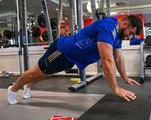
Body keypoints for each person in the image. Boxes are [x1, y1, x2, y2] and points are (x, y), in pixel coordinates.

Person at [7, 15, 142, 105]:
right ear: (125, 23)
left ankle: (28, 85)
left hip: (71, 57)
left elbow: (118, 57)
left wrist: (124, 77)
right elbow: (107, 60)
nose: (130, 38)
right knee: (37, 72)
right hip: (61, 51)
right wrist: (116, 88)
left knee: (46, 73)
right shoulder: (108, 28)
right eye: (130, 33)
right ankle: (13, 89)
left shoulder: (117, 36)